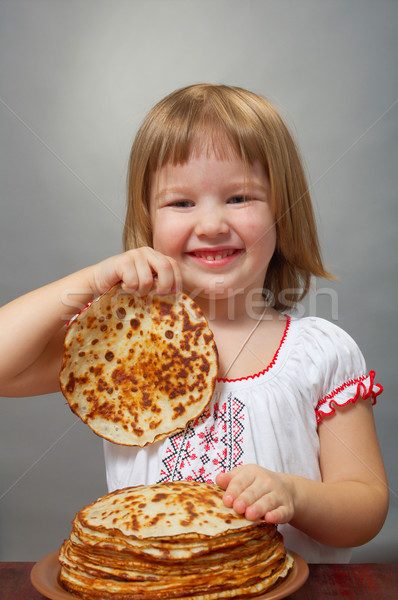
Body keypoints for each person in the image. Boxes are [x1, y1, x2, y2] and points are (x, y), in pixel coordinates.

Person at [0, 84, 388, 563]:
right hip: (149, 587)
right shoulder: (119, 346)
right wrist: (91, 279)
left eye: (240, 198)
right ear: (148, 218)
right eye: (181, 203)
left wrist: (296, 495)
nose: (210, 224)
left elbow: (366, 506)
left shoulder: (318, 352)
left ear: (284, 213)